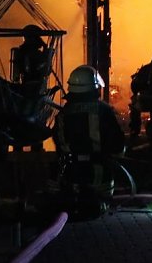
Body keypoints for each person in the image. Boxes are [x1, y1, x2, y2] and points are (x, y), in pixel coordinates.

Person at [51, 65, 125, 219]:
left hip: (71, 175)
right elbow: (118, 143)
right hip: (99, 177)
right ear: (94, 88)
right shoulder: (104, 111)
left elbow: (58, 143)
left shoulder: (63, 113)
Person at [12, 24, 51, 96]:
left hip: (28, 84)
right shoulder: (35, 54)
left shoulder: (23, 53)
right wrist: (45, 48)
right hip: (34, 86)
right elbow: (46, 70)